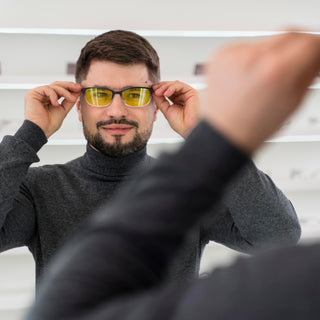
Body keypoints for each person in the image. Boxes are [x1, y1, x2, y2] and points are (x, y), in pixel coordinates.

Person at [25, 31, 320, 320]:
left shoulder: (190, 192)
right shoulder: (40, 187)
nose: (117, 110)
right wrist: (29, 136)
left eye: (135, 94)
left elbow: (278, 234)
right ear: (80, 107)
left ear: (156, 107)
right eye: (100, 94)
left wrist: (200, 135)